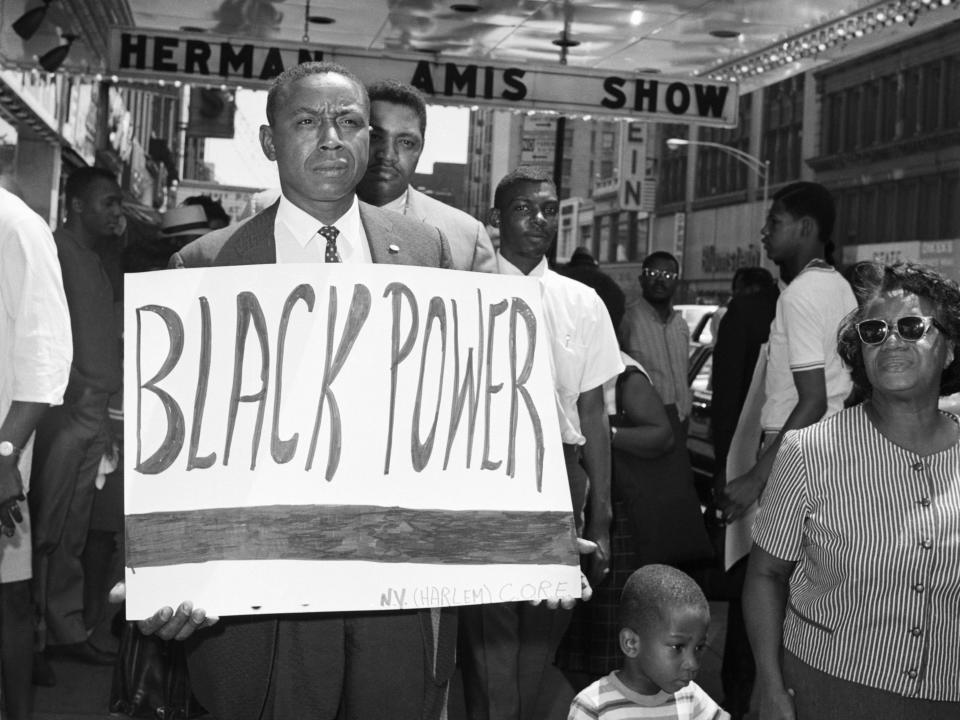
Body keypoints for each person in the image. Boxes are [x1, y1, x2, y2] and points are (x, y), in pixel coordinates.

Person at [142, 61, 457, 720]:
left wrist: (527, 523)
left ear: (369, 139)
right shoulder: (202, 266)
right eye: (307, 122)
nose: (331, 139)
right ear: (268, 141)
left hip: (391, 579)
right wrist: (161, 572)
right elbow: (167, 442)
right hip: (262, 589)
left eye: (348, 123)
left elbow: (451, 406)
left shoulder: (425, 249)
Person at [744, 262, 960, 719]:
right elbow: (766, 576)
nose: (891, 341)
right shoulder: (810, 451)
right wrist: (769, 682)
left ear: (951, 348)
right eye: (874, 331)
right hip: (830, 690)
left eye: (911, 326)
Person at [458, 166, 623, 720]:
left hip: (561, 480)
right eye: (525, 209)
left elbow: (594, 415)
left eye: (549, 209)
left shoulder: (583, 302)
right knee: (491, 645)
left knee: (541, 638)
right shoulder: (467, 294)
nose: (540, 220)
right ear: (495, 220)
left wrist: (600, 516)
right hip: (487, 479)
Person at [556, 268, 675, 679]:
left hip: (614, 510)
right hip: (592, 503)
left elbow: (662, 434)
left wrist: (603, 433)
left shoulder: (624, 372)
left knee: (605, 634)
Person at [30, 167, 124, 681]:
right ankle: (33, 641)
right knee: (44, 531)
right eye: (108, 202)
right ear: (77, 204)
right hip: (66, 412)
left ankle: (65, 633)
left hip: (95, 414)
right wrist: (72, 389)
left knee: (71, 532)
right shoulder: (55, 250)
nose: (117, 212)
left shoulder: (92, 257)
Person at [721, 182, 856, 525]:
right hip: (831, 446)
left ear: (806, 228)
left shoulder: (799, 295)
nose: (764, 231)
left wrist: (756, 477)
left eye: (775, 222)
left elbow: (813, 400)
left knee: (770, 572)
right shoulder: (840, 287)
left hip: (793, 452)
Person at [0, 183, 73, 720]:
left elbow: (47, 353)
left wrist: (5, 455)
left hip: (0, 452)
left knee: (8, 599)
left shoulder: (18, 228)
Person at [707, 266, 778, 719]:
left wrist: (725, 471)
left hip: (749, 462)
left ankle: (740, 692)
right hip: (792, 468)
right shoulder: (784, 309)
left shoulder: (741, 316)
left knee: (749, 578)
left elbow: (726, 392)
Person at [356, 79, 496, 272]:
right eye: (376, 136)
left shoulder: (468, 238)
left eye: (405, 142)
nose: (387, 154)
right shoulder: (311, 217)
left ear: (421, 149)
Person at [568, 564, 730, 720]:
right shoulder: (593, 707)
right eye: (678, 647)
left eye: (698, 647)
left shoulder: (690, 697)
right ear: (631, 643)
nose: (692, 663)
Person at [619, 252, 691, 428]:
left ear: (676, 282)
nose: (660, 280)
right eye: (653, 274)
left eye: (667, 275)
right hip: (643, 423)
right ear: (641, 279)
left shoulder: (681, 325)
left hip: (680, 420)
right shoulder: (626, 320)